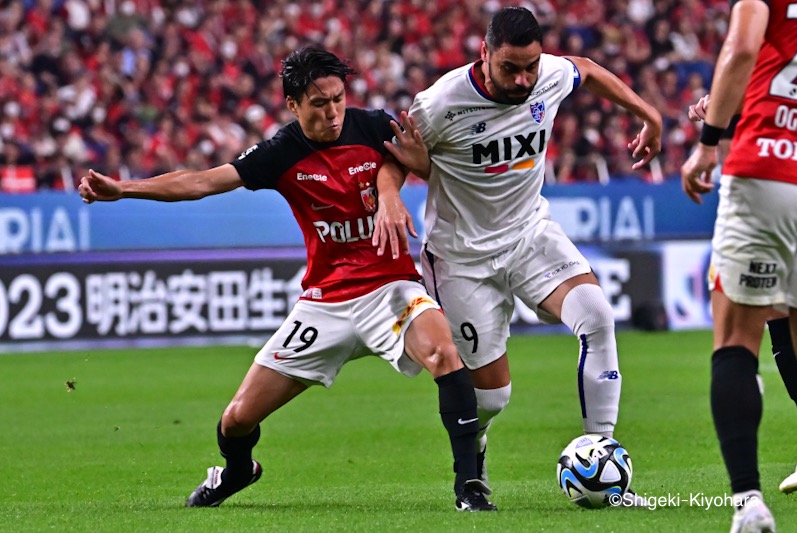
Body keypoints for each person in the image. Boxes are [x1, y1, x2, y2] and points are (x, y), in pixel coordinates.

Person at [78, 47, 496, 512]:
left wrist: (388, 187)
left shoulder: (373, 126)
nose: (333, 111)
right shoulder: (281, 151)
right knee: (236, 420)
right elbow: (201, 182)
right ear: (293, 105)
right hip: (325, 303)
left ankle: (470, 487)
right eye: (319, 103)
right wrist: (125, 189)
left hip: (390, 287)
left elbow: (415, 159)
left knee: (443, 353)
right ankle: (238, 471)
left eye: (338, 98)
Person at [371, 6, 661, 508]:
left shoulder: (547, 74)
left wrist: (648, 115)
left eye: (530, 66)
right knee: (491, 398)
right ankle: (475, 447)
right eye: (510, 68)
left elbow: (586, 69)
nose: (524, 78)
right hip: (462, 260)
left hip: (529, 234)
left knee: (595, 316)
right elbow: (394, 157)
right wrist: (392, 196)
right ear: (484, 54)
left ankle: (604, 462)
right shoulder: (440, 103)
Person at [681, 0, 797, 530]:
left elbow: (744, 46)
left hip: (767, 170)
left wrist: (710, 139)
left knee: (735, 340)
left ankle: (748, 502)